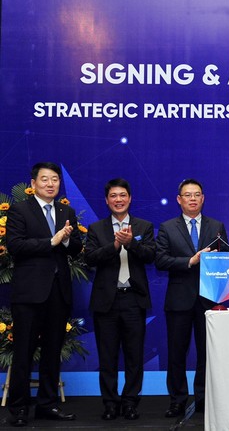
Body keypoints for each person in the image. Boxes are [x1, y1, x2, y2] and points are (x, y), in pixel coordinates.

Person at [5, 162, 82, 426]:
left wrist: (67, 239)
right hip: (29, 294)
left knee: (52, 351)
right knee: (24, 352)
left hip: (58, 292)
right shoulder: (20, 210)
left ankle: (47, 405)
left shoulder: (66, 211)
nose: (51, 184)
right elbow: (15, 246)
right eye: (45, 179)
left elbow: (75, 248)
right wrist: (51, 241)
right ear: (33, 183)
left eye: (55, 179)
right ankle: (18, 408)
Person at [155, 179, 229, 417]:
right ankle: (177, 400)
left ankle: (203, 399)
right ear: (179, 199)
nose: (193, 199)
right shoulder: (167, 227)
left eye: (197, 194)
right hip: (179, 299)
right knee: (176, 353)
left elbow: (226, 259)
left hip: (209, 300)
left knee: (207, 353)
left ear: (203, 198)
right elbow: (160, 260)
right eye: (188, 195)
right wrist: (190, 261)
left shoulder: (216, 226)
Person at [85, 178, 155, 421]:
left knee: (135, 356)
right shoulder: (96, 228)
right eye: (113, 196)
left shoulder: (144, 226)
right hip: (107, 301)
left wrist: (131, 244)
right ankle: (110, 403)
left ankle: (130, 402)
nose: (118, 199)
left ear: (130, 198)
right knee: (108, 356)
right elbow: (90, 258)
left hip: (134, 300)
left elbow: (151, 256)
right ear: (107, 200)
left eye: (122, 195)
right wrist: (115, 245)